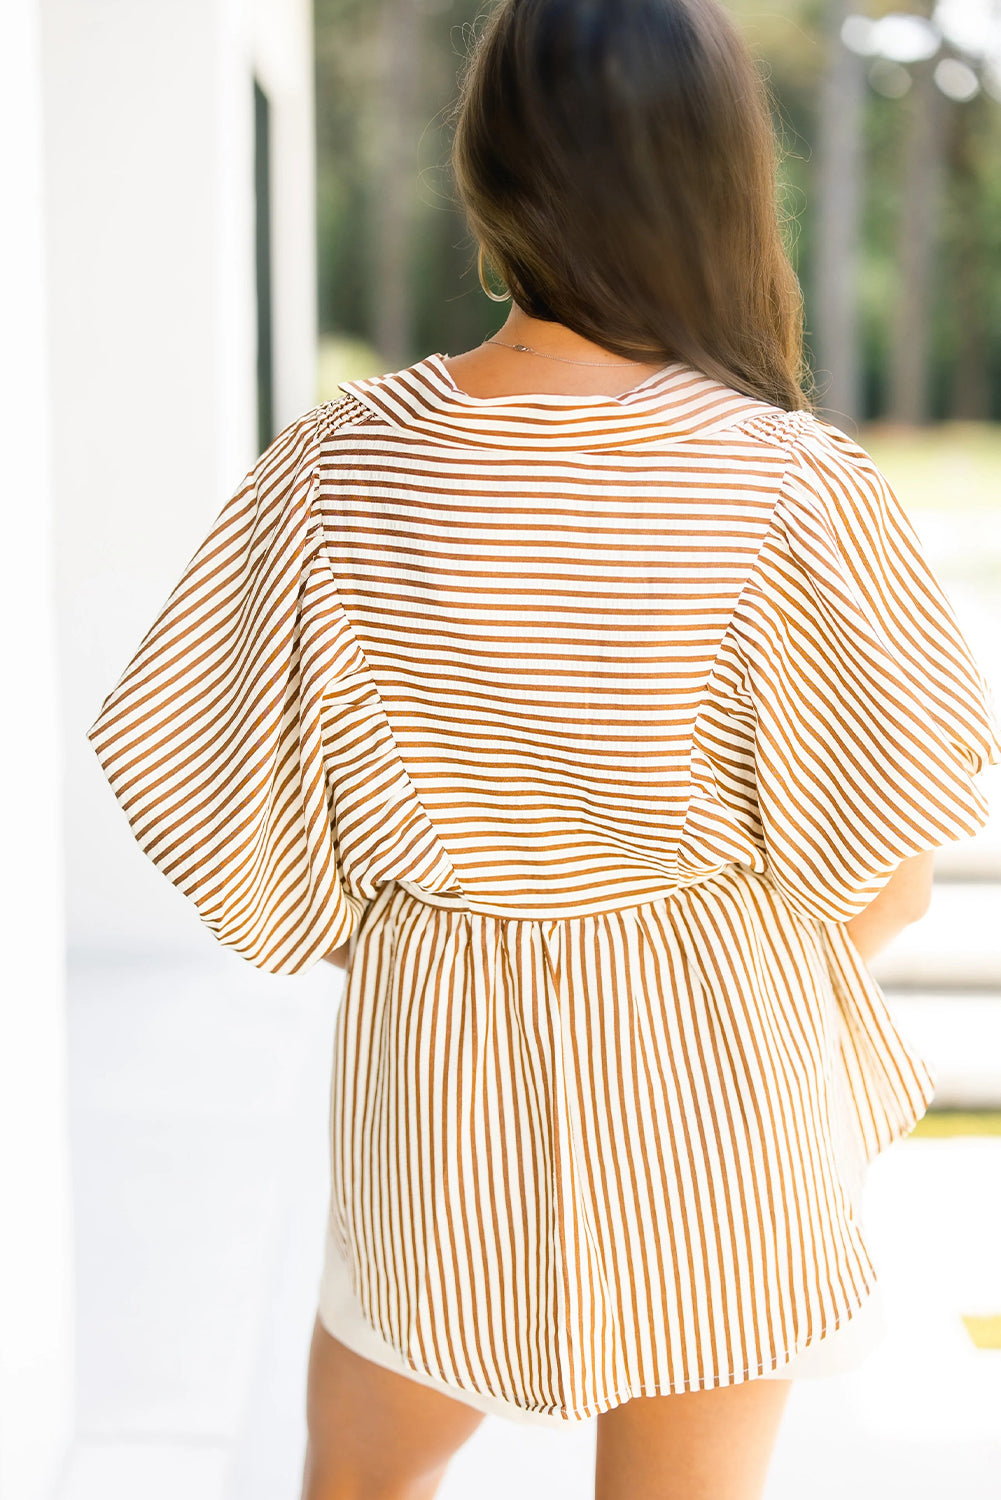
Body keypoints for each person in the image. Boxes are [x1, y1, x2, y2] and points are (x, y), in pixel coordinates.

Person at [85, 1, 1001, 1497]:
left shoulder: (339, 465)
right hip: (716, 1065)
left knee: (359, 1480)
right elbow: (886, 881)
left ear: (488, 162)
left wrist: (436, 930)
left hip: (435, 1062)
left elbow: (215, 797)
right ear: (716, 173)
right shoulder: (786, 484)